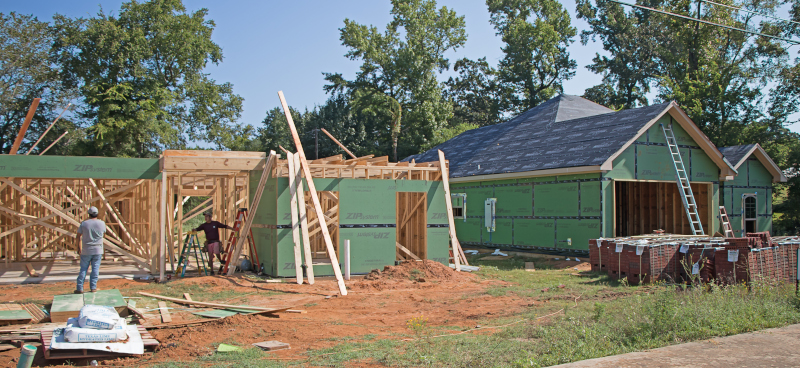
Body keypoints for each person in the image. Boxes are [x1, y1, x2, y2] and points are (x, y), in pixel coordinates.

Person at [75, 206, 106, 294]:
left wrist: (78, 247)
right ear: (97, 214)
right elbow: (104, 234)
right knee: (95, 269)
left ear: (89, 214)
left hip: (86, 250)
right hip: (98, 250)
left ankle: (80, 288)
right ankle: (93, 287)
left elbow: (78, 236)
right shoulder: (102, 223)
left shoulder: (84, 223)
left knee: (83, 269)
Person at [194, 211, 231, 275]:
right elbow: (197, 229)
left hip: (216, 242)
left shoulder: (215, 223)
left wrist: (233, 228)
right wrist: (194, 229)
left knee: (217, 254)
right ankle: (212, 270)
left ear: (210, 217)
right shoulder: (204, 225)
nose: (205, 218)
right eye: (205, 217)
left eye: (207, 217)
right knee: (210, 257)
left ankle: (222, 265)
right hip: (209, 243)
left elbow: (224, 226)